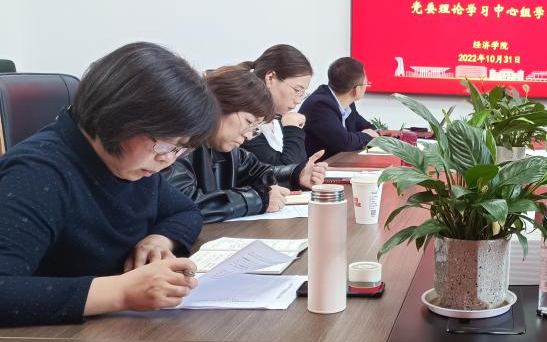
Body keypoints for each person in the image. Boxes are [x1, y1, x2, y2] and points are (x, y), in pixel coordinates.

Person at [0, 42, 218, 326]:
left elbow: (185, 211)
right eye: (165, 143)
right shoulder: (37, 174)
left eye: (180, 148)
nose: (167, 159)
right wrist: (122, 292)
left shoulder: (131, 165)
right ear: (119, 116)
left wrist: (158, 240)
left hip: (115, 330)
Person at [164, 66, 328, 223]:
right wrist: (258, 199)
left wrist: (297, 175)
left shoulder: (229, 150)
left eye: (255, 128)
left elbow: (260, 172)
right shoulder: (176, 146)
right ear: (217, 106)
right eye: (249, 122)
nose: (248, 136)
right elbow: (185, 204)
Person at [239, 44, 314, 166]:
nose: (298, 101)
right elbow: (288, 170)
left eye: (302, 94)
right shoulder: (246, 121)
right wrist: (292, 127)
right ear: (270, 78)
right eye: (297, 90)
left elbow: (299, 167)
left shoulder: (277, 119)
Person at [300, 56, 379, 156]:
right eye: (366, 84)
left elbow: (368, 128)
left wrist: (371, 134)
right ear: (356, 89)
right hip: (319, 164)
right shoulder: (319, 105)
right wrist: (367, 136)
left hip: (338, 162)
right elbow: (344, 142)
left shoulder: (348, 104)